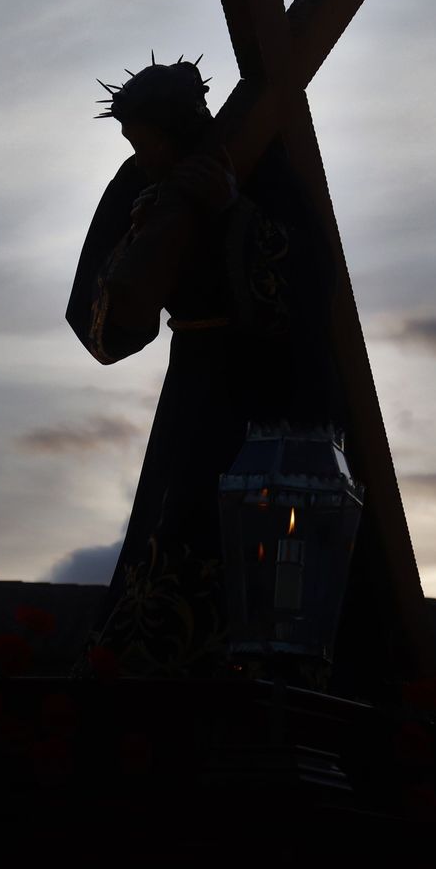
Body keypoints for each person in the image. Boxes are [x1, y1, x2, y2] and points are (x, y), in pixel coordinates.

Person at [65, 57, 339, 679]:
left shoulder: (258, 162)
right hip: (192, 382)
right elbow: (102, 306)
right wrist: (143, 241)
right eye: (131, 143)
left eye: (145, 139)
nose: (139, 152)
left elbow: (309, 274)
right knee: (178, 515)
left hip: (270, 391)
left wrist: (232, 213)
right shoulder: (141, 184)